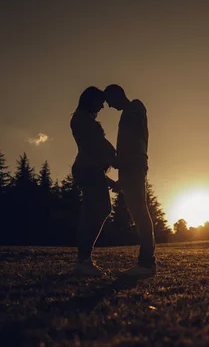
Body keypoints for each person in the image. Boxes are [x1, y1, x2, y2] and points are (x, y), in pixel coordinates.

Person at [104, 84, 156, 277]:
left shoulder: (135, 107)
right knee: (138, 212)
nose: (109, 106)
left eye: (109, 101)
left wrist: (120, 161)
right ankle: (145, 262)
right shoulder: (129, 111)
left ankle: (146, 263)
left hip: (133, 165)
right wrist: (121, 178)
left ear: (117, 95)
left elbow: (133, 141)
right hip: (130, 166)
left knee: (140, 212)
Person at [70, 86, 118, 276]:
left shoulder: (84, 120)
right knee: (98, 211)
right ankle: (83, 259)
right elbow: (96, 147)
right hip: (88, 170)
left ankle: (84, 259)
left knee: (94, 212)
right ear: (90, 100)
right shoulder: (82, 120)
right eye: (100, 102)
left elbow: (96, 152)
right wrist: (116, 159)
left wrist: (109, 179)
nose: (102, 107)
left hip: (90, 170)